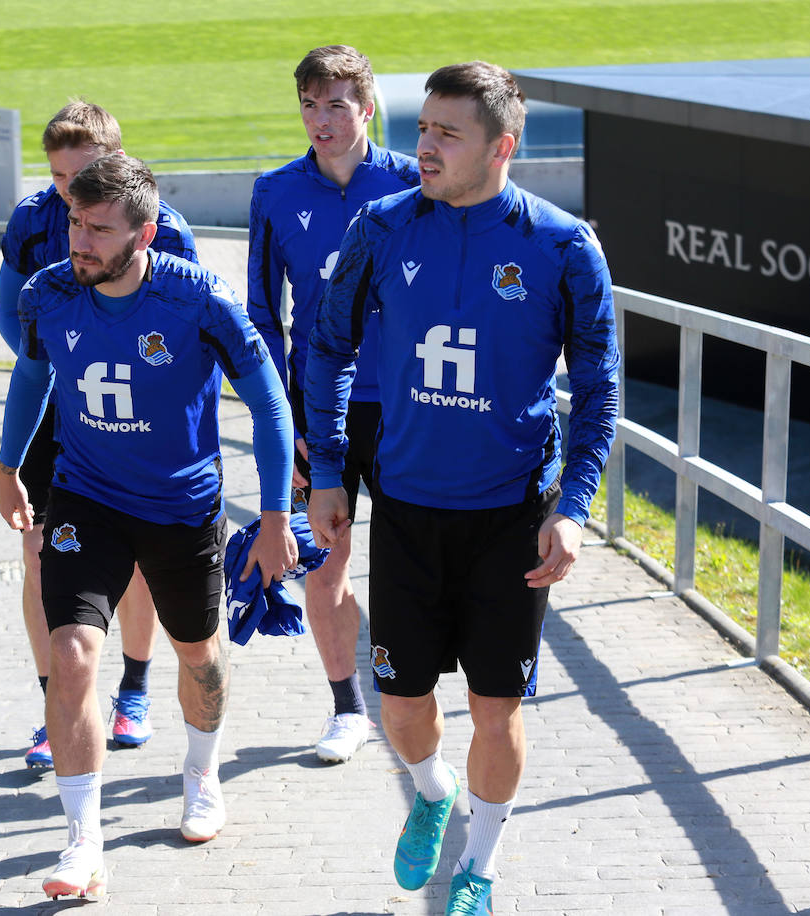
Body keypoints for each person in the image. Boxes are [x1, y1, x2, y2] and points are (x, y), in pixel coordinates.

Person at [304, 61, 619, 914]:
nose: (424, 146)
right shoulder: (380, 226)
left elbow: (599, 388)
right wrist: (328, 471)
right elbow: (324, 346)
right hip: (405, 509)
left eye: (448, 133)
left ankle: (478, 865)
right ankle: (434, 792)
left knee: (495, 706)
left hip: (510, 518)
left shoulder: (562, 246)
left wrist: (576, 508)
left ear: (503, 147)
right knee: (401, 708)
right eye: (423, 127)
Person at [0, 153, 296, 900]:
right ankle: (82, 844)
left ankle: (201, 770)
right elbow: (32, 377)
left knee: (199, 656)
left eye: (99, 229)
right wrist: (6, 468)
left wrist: (274, 517)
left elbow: (268, 403)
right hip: (85, 501)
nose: (81, 241)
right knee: (69, 657)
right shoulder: (49, 294)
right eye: (74, 222)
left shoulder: (199, 300)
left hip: (178, 509)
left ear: (146, 234)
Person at [0, 101, 199, 769]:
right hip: (61, 408)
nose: (65, 190)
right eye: (56, 175)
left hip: (137, 413)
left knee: (136, 556)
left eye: (79, 173)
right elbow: (11, 322)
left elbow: (189, 324)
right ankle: (57, 703)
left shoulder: (164, 228)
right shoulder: (31, 222)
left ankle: (133, 691)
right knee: (38, 555)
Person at [247, 44, 418, 764]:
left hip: (411, 406)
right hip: (319, 413)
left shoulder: (416, 184)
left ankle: (411, 698)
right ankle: (348, 707)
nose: (322, 121)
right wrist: (286, 414)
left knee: (413, 565)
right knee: (324, 563)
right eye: (310, 106)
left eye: (337, 105)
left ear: (368, 107)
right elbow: (260, 314)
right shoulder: (274, 191)